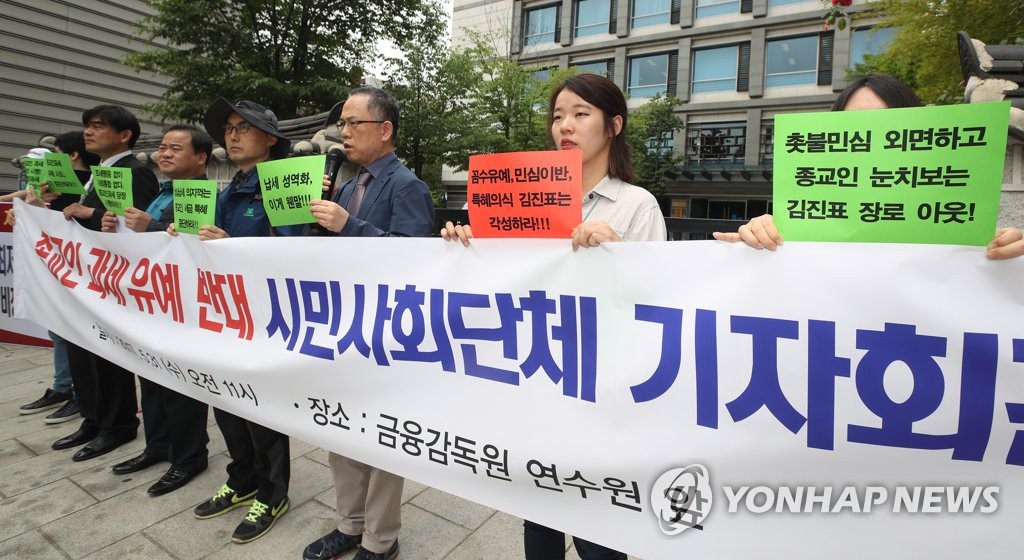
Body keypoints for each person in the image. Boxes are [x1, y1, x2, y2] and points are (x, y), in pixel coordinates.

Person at [442, 73, 666, 560]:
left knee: (599, 538)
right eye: (558, 115)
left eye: (581, 114)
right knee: (539, 520)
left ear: (614, 126)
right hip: (537, 380)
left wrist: (619, 252)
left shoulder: (637, 205)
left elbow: (656, 306)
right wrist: (467, 245)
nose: (565, 125)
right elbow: (502, 282)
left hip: (601, 392)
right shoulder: (523, 197)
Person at [302, 86, 434, 560]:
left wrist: (347, 225)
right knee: (341, 431)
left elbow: (414, 258)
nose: (344, 132)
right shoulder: (343, 183)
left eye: (354, 122)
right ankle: (349, 524)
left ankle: (380, 539)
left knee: (382, 440)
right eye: (342, 123)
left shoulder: (407, 185)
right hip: (342, 327)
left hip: (385, 334)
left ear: (385, 129)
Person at [711, 74, 1023, 259]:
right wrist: (758, 240)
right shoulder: (800, 222)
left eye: (888, 126)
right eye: (853, 128)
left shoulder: (958, 222)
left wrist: (1007, 257)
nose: (869, 140)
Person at [191, 98, 301, 544]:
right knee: (226, 401)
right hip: (223, 314)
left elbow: (296, 255)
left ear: (270, 138)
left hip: (265, 319)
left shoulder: (285, 185)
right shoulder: (225, 190)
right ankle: (241, 479)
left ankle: (273, 494)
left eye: (244, 128)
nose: (233, 136)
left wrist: (231, 244)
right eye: (229, 128)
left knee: (261, 409)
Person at [99, 125, 213, 497]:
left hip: (183, 307)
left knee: (181, 385)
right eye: (163, 147)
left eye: (175, 148)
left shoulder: (202, 195)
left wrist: (153, 226)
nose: (164, 153)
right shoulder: (163, 192)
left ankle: (189, 457)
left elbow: (196, 244)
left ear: (200, 158)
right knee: (150, 377)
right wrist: (114, 228)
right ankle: (158, 445)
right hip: (149, 301)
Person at [51, 105, 159, 462]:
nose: (89, 132)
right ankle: (93, 418)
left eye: (98, 126)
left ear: (124, 135)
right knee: (82, 349)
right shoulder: (98, 173)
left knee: (107, 355)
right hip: (84, 277)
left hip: (113, 282)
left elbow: (139, 226)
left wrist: (91, 213)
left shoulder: (136, 173)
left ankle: (118, 424)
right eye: (87, 126)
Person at [16, 133, 99, 424]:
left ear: (73, 155)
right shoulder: (62, 184)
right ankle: (64, 386)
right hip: (58, 264)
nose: (52, 158)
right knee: (58, 329)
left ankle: (77, 391)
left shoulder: (84, 183)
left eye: (56, 151)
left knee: (73, 332)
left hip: (80, 269)